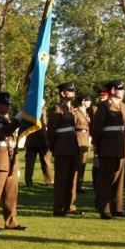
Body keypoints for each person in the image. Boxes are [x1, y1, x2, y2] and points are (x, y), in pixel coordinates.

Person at [0, 92, 27, 234]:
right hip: (0, 160)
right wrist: (17, 119)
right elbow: (5, 132)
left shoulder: (10, 122)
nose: (8, 106)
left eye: (8, 104)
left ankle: (11, 221)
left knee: (11, 194)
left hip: (12, 160)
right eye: (4, 104)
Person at [91, 79, 125, 219]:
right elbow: (96, 129)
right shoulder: (104, 106)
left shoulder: (124, 106)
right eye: (121, 89)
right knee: (106, 178)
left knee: (119, 179)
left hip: (120, 146)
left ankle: (117, 207)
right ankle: (105, 208)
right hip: (107, 146)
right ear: (113, 90)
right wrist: (99, 146)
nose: (123, 91)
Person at [47, 81, 80, 217]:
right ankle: (58, 207)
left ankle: (70, 206)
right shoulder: (57, 108)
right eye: (70, 91)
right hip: (62, 148)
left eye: (73, 91)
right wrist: (55, 147)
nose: (73, 93)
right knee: (61, 179)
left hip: (72, 147)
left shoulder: (71, 109)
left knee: (72, 178)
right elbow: (52, 132)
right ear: (62, 93)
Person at [23, 99, 54, 187]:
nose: (45, 102)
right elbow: (43, 126)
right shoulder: (42, 110)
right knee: (45, 161)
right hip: (41, 140)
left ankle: (28, 182)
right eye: (44, 100)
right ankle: (49, 180)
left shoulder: (28, 110)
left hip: (31, 139)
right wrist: (45, 139)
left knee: (30, 163)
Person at [74, 94, 92, 193]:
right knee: (78, 164)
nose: (90, 102)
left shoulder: (86, 113)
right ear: (83, 101)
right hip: (78, 140)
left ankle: (79, 186)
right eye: (88, 100)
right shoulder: (76, 112)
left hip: (85, 140)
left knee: (83, 164)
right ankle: (74, 186)